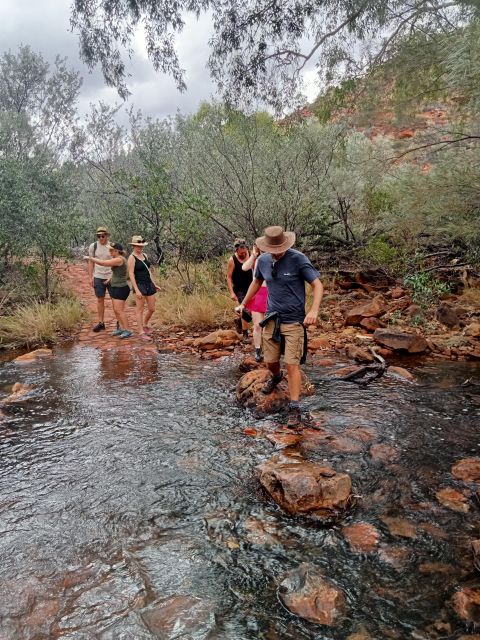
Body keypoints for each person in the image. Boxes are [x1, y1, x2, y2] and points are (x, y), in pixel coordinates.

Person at [237, 226, 324, 429]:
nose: (277, 252)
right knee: (270, 361)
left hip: (294, 320)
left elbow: (318, 285)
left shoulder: (298, 259)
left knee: (292, 364)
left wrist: (313, 311)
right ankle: (276, 377)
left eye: (280, 248)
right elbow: (257, 283)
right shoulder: (264, 261)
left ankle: (295, 409)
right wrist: (244, 303)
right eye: (273, 249)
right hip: (271, 319)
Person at [84, 242, 132, 339]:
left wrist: (90, 258)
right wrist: (110, 279)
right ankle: (121, 329)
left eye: (111, 250)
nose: (110, 252)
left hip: (121, 288)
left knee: (119, 310)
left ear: (116, 251)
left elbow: (104, 263)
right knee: (116, 310)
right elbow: (117, 272)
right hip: (116, 286)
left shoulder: (119, 259)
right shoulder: (117, 259)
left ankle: (128, 330)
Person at [127, 235, 161, 341]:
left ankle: (145, 325)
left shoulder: (145, 255)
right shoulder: (132, 258)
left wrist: (154, 284)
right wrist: (136, 289)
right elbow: (131, 274)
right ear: (133, 246)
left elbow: (148, 271)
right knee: (140, 310)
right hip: (139, 285)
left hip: (148, 284)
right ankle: (141, 332)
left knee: (151, 308)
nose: (140, 248)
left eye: (141, 246)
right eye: (137, 246)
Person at [241, 243, 268, 362]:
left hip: (270, 293)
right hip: (257, 293)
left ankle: (269, 350)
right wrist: (253, 254)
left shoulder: (271, 258)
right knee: (257, 325)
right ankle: (258, 350)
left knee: (268, 325)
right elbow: (244, 268)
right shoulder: (255, 259)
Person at [88, 226, 113, 332]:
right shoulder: (93, 246)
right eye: (99, 236)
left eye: (103, 236)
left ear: (106, 236)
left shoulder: (112, 246)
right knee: (100, 299)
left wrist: (114, 276)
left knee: (115, 300)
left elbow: (117, 261)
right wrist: (90, 276)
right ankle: (101, 323)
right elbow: (91, 261)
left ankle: (119, 323)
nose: (101, 238)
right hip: (98, 276)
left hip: (111, 276)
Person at [226, 238, 253, 338]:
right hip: (239, 288)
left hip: (252, 286)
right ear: (236, 251)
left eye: (244, 252)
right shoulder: (232, 260)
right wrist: (232, 292)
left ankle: (239, 321)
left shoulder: (251, 255)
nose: (243, 254)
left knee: (252, 310)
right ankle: (245, 333)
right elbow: (228, 277)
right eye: (241, 253)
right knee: (244, 309)